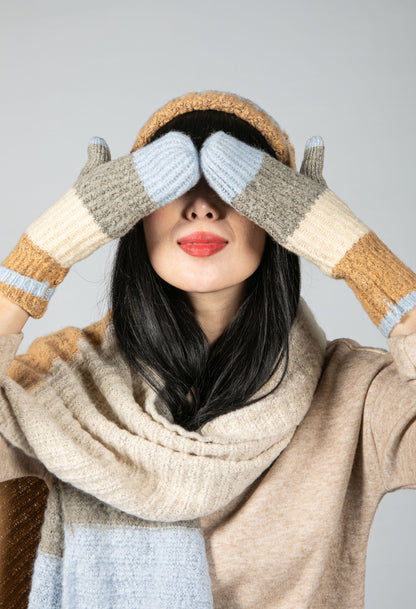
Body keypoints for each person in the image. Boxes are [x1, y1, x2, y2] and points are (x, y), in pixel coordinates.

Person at [0, 90, 415, 609]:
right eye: (170, 183)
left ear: (284, 220)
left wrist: (360, 257)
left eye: (237, 184)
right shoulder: (58, 380)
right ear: (134, 214)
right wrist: (42, 254)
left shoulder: (356, 396)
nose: (202, 206)